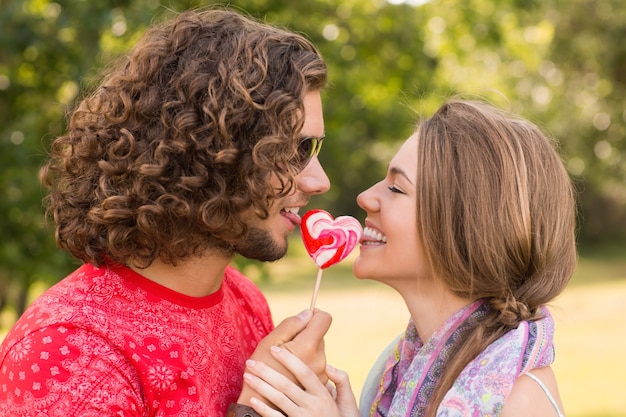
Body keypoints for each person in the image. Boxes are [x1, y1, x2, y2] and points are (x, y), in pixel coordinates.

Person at [0, 7, 334, 417]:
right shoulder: (68, 350)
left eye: (314, 149)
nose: (319, 182)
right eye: (295, 151)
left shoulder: (244, 301)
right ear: (208, 150)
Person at [242, 99, 576, 417]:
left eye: (397, 189)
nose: (365, 197)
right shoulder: (399, 369)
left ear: (466, 226)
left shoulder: (516, 398)